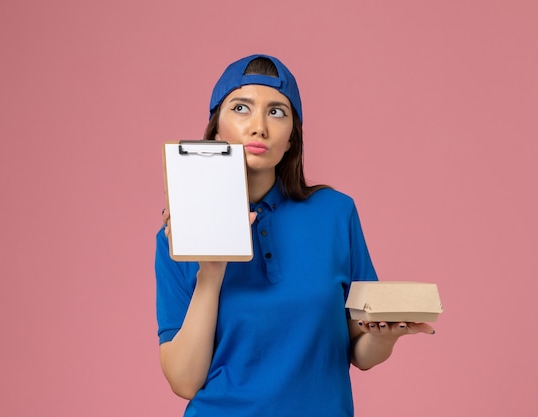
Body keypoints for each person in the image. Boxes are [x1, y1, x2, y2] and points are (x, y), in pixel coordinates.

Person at [155, 54, 435, 417]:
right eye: (241, 108)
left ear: (291, 138)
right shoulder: (176, 237)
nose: (259, 127)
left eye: (276, 112)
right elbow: (184, 382)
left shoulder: (335, 213)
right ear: (215, 131)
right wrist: (211, 270)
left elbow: (360, 353)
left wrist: (384, 336)